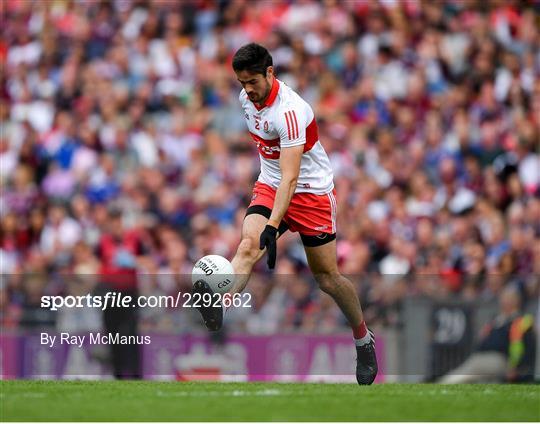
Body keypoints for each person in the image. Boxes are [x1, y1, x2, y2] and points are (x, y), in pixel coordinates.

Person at [192, 43, 377, 385]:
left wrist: (273, 226)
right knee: (248, 247)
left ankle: (363, 339)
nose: (247, 90)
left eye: (252, 81)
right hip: (270, 182)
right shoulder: (246, 101)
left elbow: (292, 177)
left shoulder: (291, 111)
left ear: (270, 73)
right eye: (241, 82)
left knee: (327, 279)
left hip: (310, 193)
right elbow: (276, 172)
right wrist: (265, 228)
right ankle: (219, 300)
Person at [439, 285, 536, 384]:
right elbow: (482, 341)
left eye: (508, 299)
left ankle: (445, 382)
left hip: (501, 360)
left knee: (472, 368)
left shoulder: (521, 321)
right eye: (503, 299)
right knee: (480, 374)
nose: (504, 302)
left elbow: (529, 348)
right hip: (484, 357)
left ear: (516, 301)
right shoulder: (496, 320)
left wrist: (518, 369)